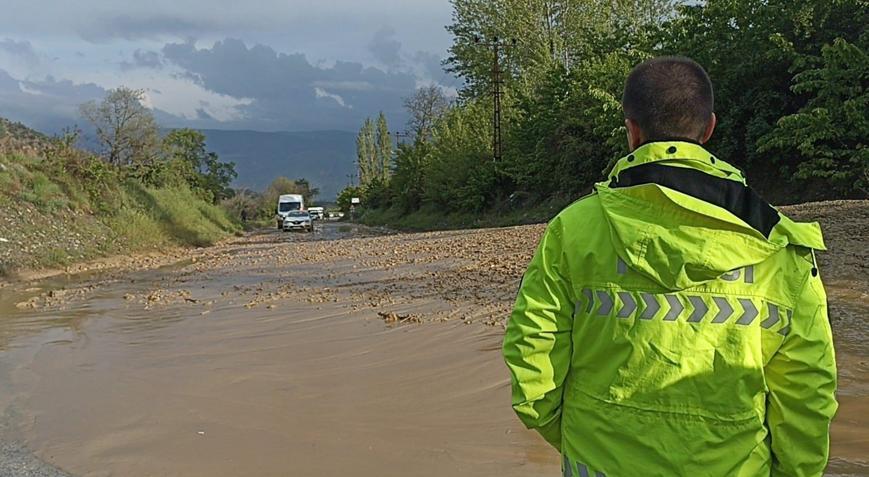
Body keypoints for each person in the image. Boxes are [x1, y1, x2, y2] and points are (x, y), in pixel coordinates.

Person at [503, 56, 837, 476]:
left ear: (632, 130)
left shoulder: (572, 230)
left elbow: (532, 354)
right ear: (710, 128)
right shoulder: (779, 245)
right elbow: (807, 390)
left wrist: (575, 436)